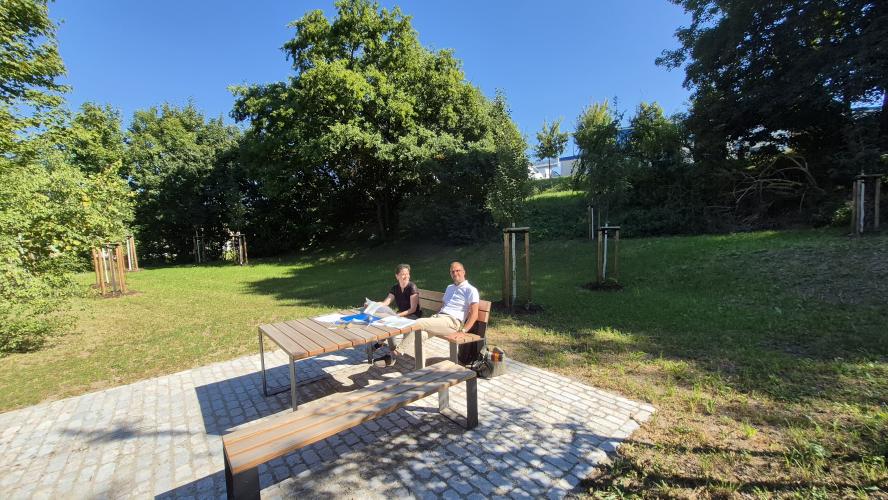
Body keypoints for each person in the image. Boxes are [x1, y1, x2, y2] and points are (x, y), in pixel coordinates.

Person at [375, 261, 479, 366]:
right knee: (419, 335)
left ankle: (394, 355)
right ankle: (421, 369)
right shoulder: (450, 288)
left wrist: (463, 331)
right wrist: (435, 318)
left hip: (452, 322)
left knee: (418, 322)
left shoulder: (471, 290)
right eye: (452, 271)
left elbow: (474, 314)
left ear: (464, 272)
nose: (455, 273)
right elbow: (444, 306)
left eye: (458, 270)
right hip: (439, 319)